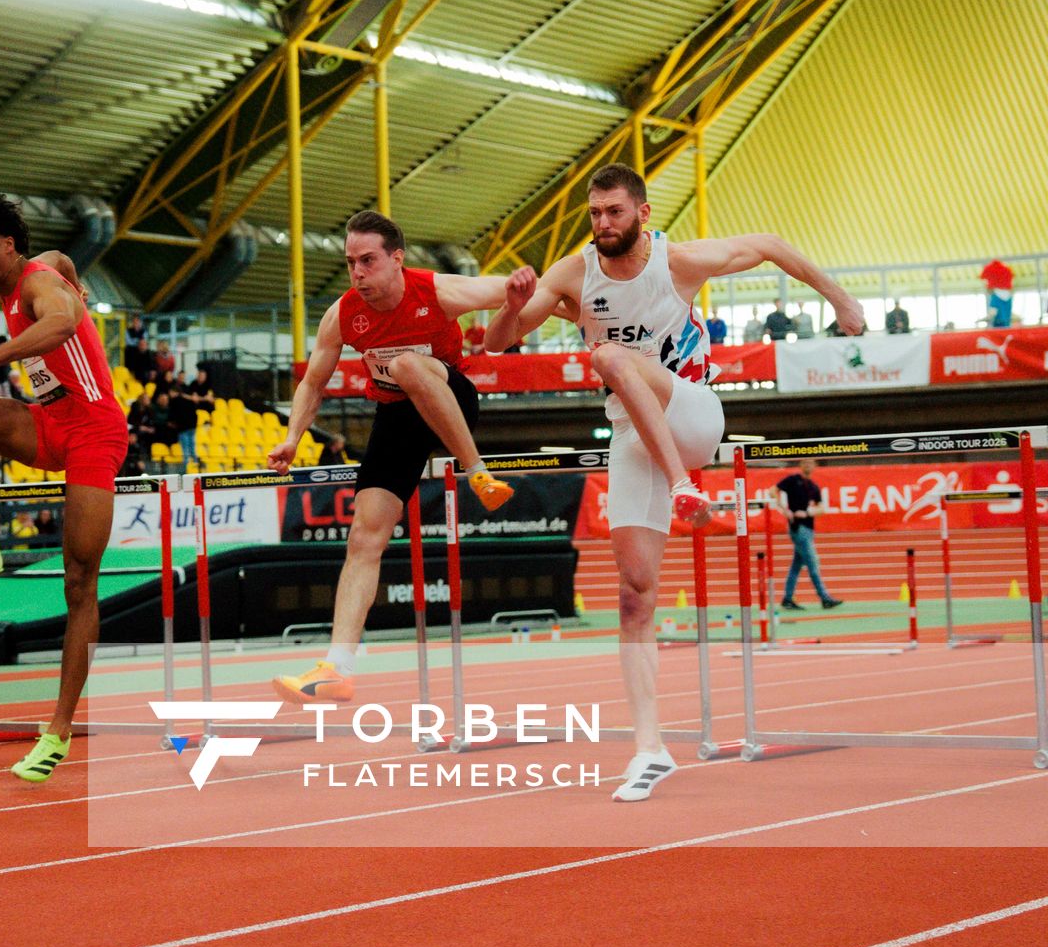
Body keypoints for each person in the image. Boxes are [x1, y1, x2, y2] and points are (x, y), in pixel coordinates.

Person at [481, 164, 864, 802]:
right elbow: (497, 344)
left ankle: (686, 486)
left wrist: (839, 299)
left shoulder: (677, 263)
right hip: (634, 435)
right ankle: (650, 749)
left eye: (614, 213)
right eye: (594, 213)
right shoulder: (573, 274)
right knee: (634, 594)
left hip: (691, 414)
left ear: (643, 214)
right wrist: (514, 306)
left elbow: (768, 243)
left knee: (608, 356)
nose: (602, 224)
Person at [268, 209, 519, 709]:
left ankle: (478, 472)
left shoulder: (438, 291)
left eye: (367, 261)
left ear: (396, 259)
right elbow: (313, 382)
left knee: (407, 363)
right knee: (364, 534)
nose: (357, 273)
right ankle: (337, 669)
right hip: (396, 418)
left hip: (452, 396)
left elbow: (515, 294)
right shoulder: (342, 314)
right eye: (350, 263)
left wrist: (565, 302)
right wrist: (293, 437)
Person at [0, 195, 128, 785]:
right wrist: (75, 274)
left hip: (94, 432)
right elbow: (62, 256)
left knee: (78, 581)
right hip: (49, 422)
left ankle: (57, 732)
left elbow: (62, 320)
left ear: (8, 246)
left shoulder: (35, 287)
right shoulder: (37, 273)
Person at [776, 460, 843, 612]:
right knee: (813, 565)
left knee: (796, 566)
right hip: (798, 528)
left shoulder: (813, 487)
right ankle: (824, 598)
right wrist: (784, 509)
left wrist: (807, 512)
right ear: (801, 465)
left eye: (810, 463)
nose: (807, 465)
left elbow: (821, 508)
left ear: (814, 466)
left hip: (808, 528)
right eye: (805, 463)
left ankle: (787, 598)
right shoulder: (793, 480)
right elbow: (773, 491)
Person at [981, 257, 1014, 328]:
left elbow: (992, 313)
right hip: (1007, 328)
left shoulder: (996, 297)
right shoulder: (1008, 298)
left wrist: (981, 320)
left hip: (998, 330)